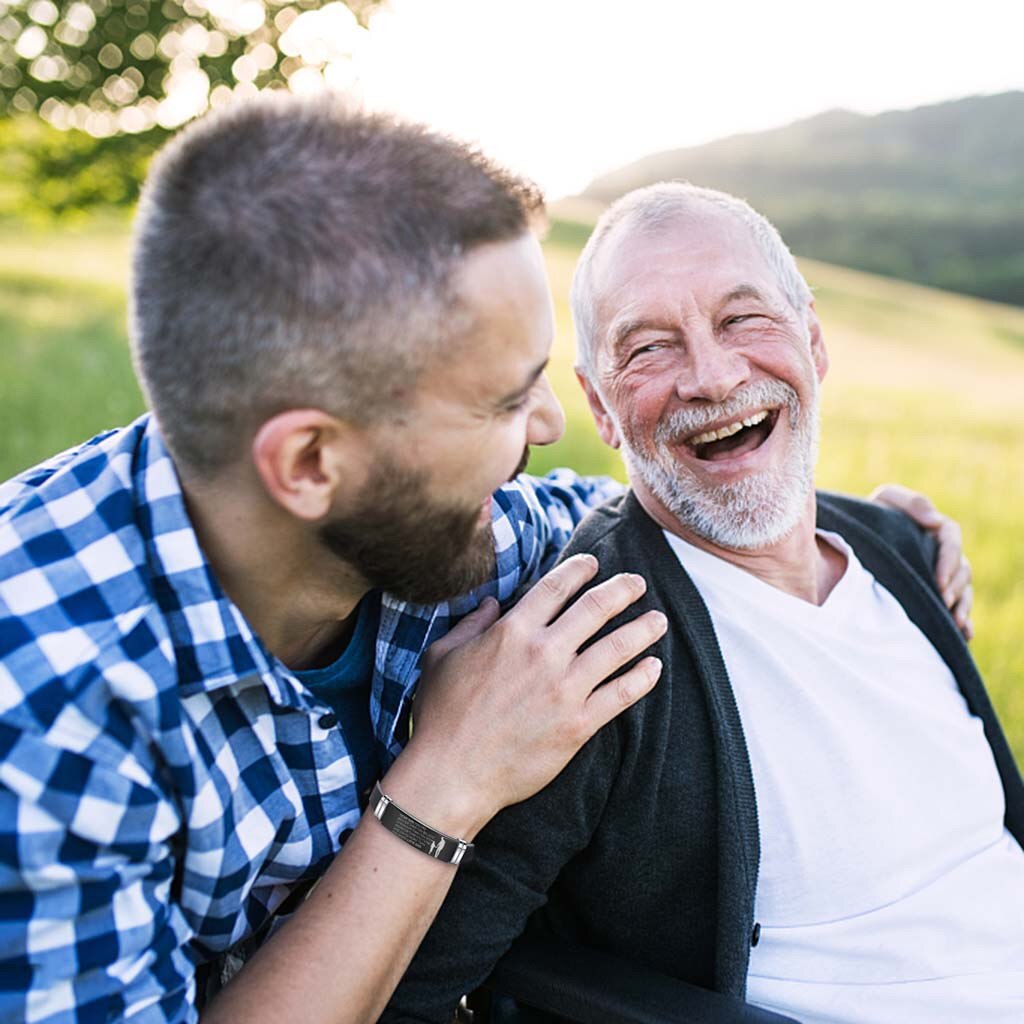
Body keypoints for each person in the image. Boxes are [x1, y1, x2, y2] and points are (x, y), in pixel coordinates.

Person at [0, 96, 967, 1024]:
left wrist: (873, 534)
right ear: (310, 462)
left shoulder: (447, 528)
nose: (549, 428)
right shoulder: (48, 718)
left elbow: (636, 503)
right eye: (504, 403)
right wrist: (448, 777)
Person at [383, 184, 1024, 1024]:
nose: (713, 376)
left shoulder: (899, 549)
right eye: (648, 348)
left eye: (742, 320)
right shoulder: (586, 656)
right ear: (601, 408)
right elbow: (410, 998)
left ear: (814, 340)